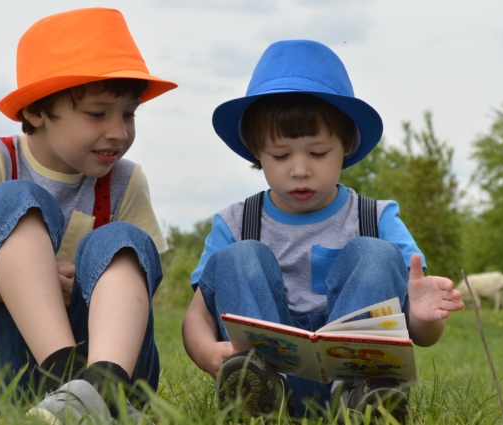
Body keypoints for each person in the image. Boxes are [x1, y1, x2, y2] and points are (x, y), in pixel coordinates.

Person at [181, 39, 464, 420]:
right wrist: (206, 352)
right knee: (239, 257)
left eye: (318, 153)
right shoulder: (235, 223)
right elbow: (196, 316)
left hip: (354, 373)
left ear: (346, 145)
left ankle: (362, 400)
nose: (300, 169)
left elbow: (420, 334)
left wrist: (423, 320)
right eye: (280, 156)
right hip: (269, 371)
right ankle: (259, 396)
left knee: (376, 254)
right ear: (256, 151)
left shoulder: (376, 218)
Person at [0, 8, 176, 423]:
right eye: (98, 113)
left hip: (108, 361)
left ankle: (103, 387)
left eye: (129, 114)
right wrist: (37, 279)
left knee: (122, 241)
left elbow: (138, 286)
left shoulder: (126, 180)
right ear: (36, 111)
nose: (119, 131)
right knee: (15, 199)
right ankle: (72, 381)